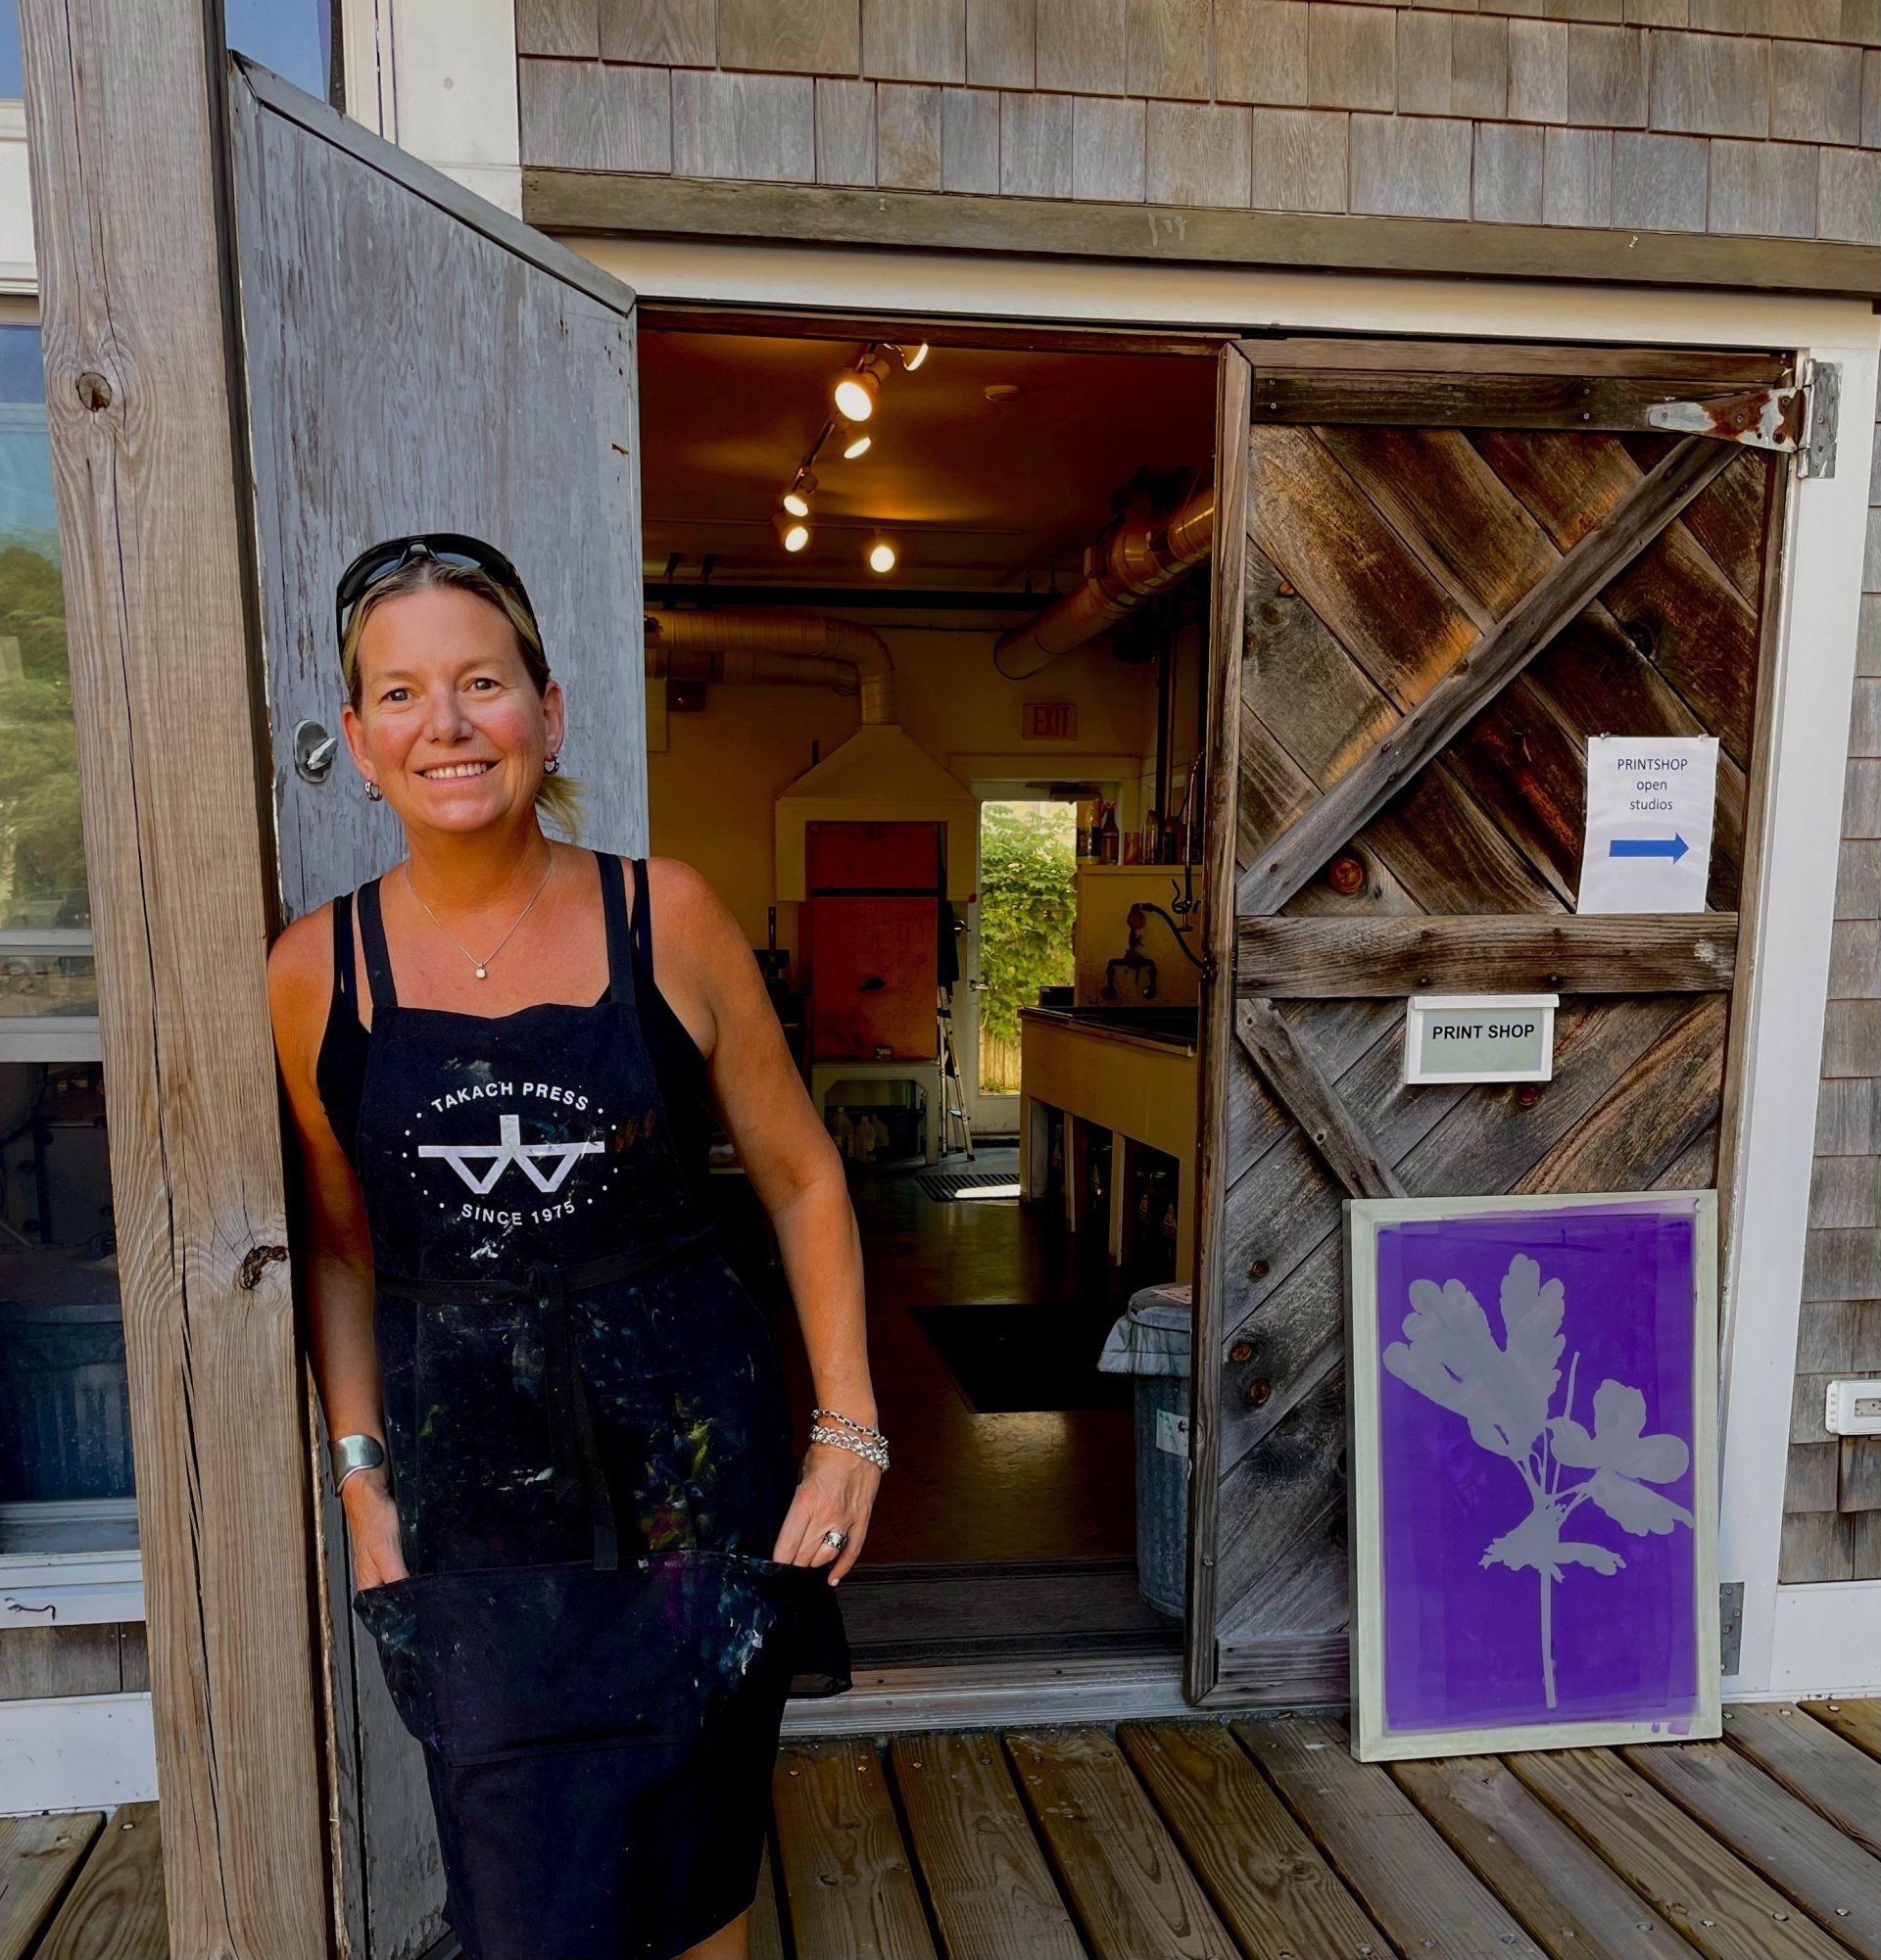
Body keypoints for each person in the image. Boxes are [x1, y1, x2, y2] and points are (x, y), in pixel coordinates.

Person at [266, 534, 879, 1960]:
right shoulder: (314, 975)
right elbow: (341, 1253)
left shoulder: (665, 916)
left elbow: (800, 1177)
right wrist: (362, 1482)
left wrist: (847, 1426)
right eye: (405, 694)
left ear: (550, 708)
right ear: (359, 742)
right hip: (471, 1497)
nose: (450, 724)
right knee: (519, 1881)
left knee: (696, 1860)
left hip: (693, 1466)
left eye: (482, 681)